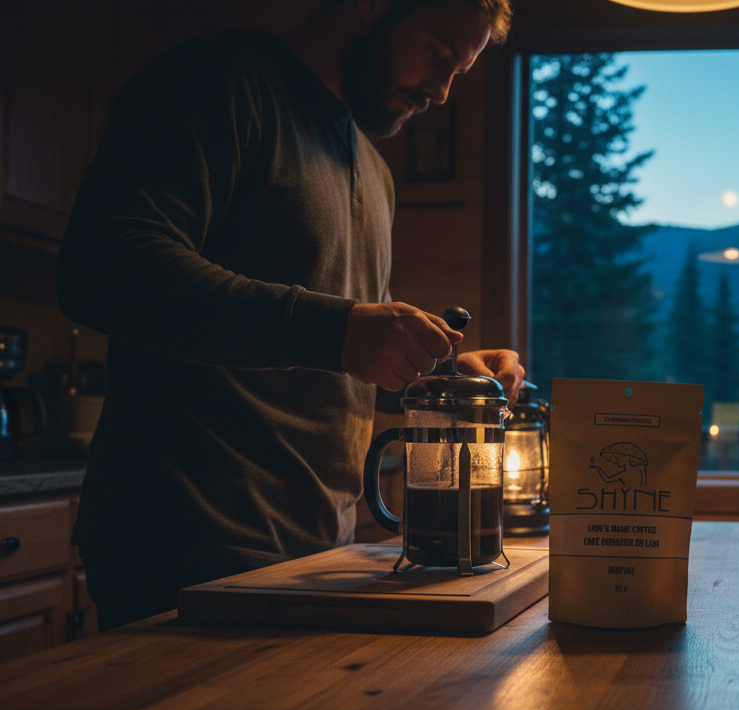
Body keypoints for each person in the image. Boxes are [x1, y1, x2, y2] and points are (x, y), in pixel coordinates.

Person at [55, 0, 517, 629]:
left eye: (458, 73)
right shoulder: (219, 84)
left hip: (316, 554)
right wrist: (340, 330)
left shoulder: (373, 170)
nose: (440, 91)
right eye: (437, 55)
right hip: (187, 547)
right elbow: (103, 267)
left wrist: (437, 377)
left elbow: (328, 356)